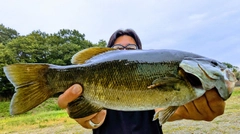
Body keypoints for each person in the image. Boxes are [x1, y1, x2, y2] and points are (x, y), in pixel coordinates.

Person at [58, 29, 226, 134]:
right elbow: (94, 119)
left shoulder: (154, 89)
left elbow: (163, 110)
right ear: (105, 54)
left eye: (131, 49)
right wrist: (89, 119)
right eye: (117, 49)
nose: (124, 52)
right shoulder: (97, 90)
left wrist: (182, 110)